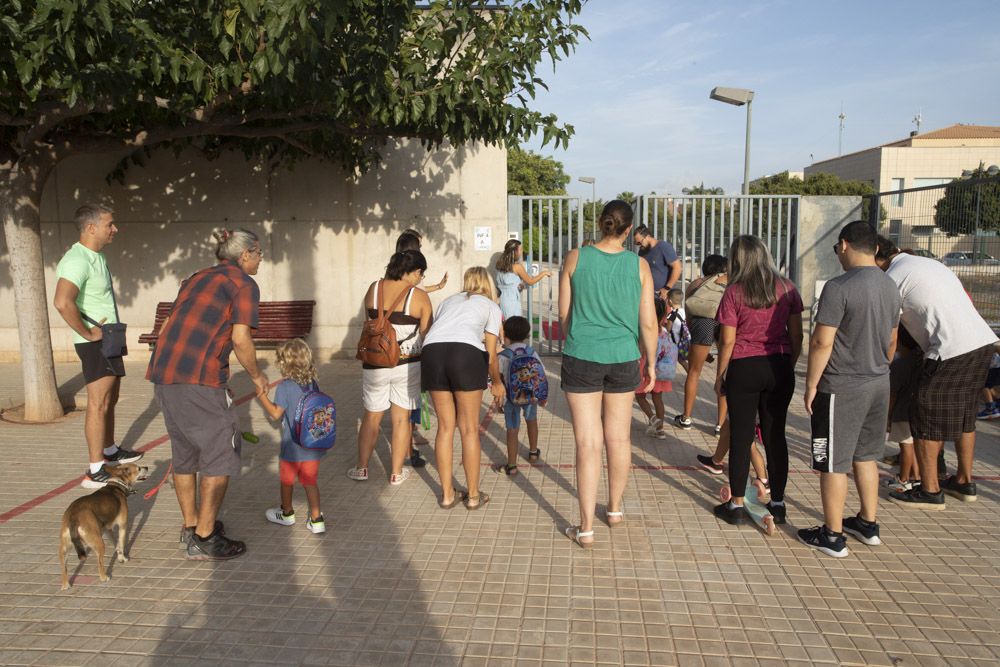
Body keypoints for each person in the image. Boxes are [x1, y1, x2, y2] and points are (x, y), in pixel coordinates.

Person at [147, 228, 268, 560]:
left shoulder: (197, 277)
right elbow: (241, 339)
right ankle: (205, 535)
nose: (260, 260)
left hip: (165, 375)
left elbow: (168, 323)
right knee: (220, 455)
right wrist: (257, 377)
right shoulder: (244, 284)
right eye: (259, 254)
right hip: (200, 380)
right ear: (245, 254)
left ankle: (191, 527)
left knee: (185, 453)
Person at [798, 221, 900, 557]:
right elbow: (892, 339)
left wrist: (812, 384)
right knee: (866, 456)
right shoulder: (890, 285)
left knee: (832, 462)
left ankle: (832, 535)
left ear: (844, 245)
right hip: (878, 381)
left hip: (842, 385)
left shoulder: (839, 287)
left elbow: (821, 340)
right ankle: (868, 524)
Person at [560, 201, 658, 548]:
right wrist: (650, 361)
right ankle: (614, 509)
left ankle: (585, 528)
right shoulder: (639, 265)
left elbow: (564, 316)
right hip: (623, 356)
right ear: (629, 230)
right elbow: (648, 321)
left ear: (601, 224)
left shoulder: (575, 258)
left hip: (582, 354)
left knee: (588, 442)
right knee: (618, 438)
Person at [875, 237, 998, 507]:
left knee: (924, 411)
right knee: (965, 414)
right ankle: (964, 482)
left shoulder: (892, 277)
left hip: (950, 348)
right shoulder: (926, 263)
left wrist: (880, 369)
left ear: (875, 255)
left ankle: (929, 490)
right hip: (982, 343)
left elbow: (890, 336)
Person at [712, 235, 803, 526]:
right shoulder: (787, 288)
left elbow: (727, 340)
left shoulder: (734, 291)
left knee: (741, 436)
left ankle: (736, 505)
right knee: (776, 436)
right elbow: (798, 335)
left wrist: (720, 375)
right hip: (778, 363)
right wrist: (788, 364)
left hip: (743, 365)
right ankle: (777, 503)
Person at [54, 205, 143, 489]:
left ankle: (109, 450)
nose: (114, 229)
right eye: (110, 224)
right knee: (97, 403)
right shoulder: (76, 260)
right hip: (96, 342)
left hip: (110, 336)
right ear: (91, 227)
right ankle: (95, 470)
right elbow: (62, 302)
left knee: (110, 398)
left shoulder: (97, 256)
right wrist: (87, 333)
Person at [421, 267, 506, 509]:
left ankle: (447, 495)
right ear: (487, 284)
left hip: (433, 352)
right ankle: (474, 496)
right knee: (469, 429)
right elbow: (490, 353)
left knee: (445, 427)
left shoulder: (447, 301)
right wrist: (497, 382)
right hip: (465, 354)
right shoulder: (491, 305)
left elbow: (439, 331)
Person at [348, 250, 432, 485]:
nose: (421, 279)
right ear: (415, 271)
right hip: (407, 365)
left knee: (371, 416)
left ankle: (362, 468)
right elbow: (426, 333)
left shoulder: (374, 289)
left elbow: (373, 326)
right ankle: (396, 473)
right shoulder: (419, 296)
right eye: (421, 274)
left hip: (374, 362)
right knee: (400, 419)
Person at [257, 339, 328, 534]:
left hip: (292, 447)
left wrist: (262, 396)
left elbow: (276, 414)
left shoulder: (284, 387)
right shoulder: (313, 383)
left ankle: (286, 513)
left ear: (283, 363)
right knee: (310, 482)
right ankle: (317, 519)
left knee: (287, 480)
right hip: (313, 445)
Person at [396, 230, 446, 453]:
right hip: (412, 346)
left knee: (401, 399)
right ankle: (409, 437)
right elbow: (425, 324)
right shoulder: (412, 281)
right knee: (410, 395)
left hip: (392, 348)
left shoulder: (392, 276)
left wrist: (438, 286)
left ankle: (407, 434)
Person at [673, 254, 728, 433]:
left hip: (701, 322)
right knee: (723, 374)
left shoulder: (696, 284)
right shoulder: (729, 282)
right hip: (724, 322)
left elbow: (688, 314)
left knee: (694, 372)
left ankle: (686, 418)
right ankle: (720, 424)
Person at [492, 315, 547, 475]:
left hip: (511, 398)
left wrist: (498, 400)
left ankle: (512, 465)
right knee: (531, 421)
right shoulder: (531, 352)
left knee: (512, 429)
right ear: (527, 335)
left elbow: (498, 379)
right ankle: (533, 452)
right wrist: (542, 395)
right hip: (530, 396)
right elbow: (540, 374)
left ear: (506, 335)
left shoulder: (503, 355)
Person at [634, 298, 675, 439]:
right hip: (661, 369)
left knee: (639, 396)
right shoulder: (663, 330)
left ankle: (652, 418)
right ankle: (661, 430)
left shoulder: (644, 330)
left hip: (646, 367)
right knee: (658, 398)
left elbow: (641, 349)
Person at [494, 239, 552, 319]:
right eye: (520, 249)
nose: (522, 251)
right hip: (512, 302)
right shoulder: (517, 267)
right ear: (514, 251)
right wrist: (543, 273)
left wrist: (519, 286)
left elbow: (508, 283)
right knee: (514, 326)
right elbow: (530, 281)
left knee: (504, 325)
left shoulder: (499, 265)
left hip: (500, 300)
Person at [632, 224, 681, 301]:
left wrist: (667, 288)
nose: (639, 245)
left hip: (663, 296)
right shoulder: (642, 252)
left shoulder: (663, 247)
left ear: (647, 236)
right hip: (648, 294)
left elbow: (677, 268)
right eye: (637, 244)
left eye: (639, 242)